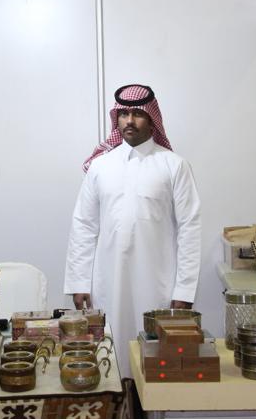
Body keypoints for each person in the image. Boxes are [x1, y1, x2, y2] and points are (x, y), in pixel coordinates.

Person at [64, 84, 201, 377]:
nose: (129, 120)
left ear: (152, 119)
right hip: (108, 281)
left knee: (154, 361)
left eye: (137, 114)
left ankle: (149, 407)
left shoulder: (174, 166)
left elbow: (190, 229)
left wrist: (184, 290)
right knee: (110, 355)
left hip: (158, 283)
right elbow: (84, 225)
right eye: (123, 114)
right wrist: (79, 282)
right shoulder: (100, 166)